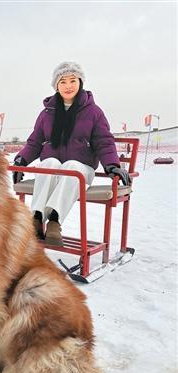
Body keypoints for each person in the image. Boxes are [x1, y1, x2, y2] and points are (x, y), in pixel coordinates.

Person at [13, 61, 131, 246]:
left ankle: (54, 221)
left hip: (80, 171)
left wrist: (112, 166)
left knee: (71, 166)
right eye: (63, 81)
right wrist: (21, 160)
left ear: (80, 82)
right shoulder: (47, 113)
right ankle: (36, 218)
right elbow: (35, 141)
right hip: (53, 171)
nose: (68, 86)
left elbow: (104, 141)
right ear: (56, 86)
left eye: (72, 80)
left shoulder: (93, 112)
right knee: (49, 162)